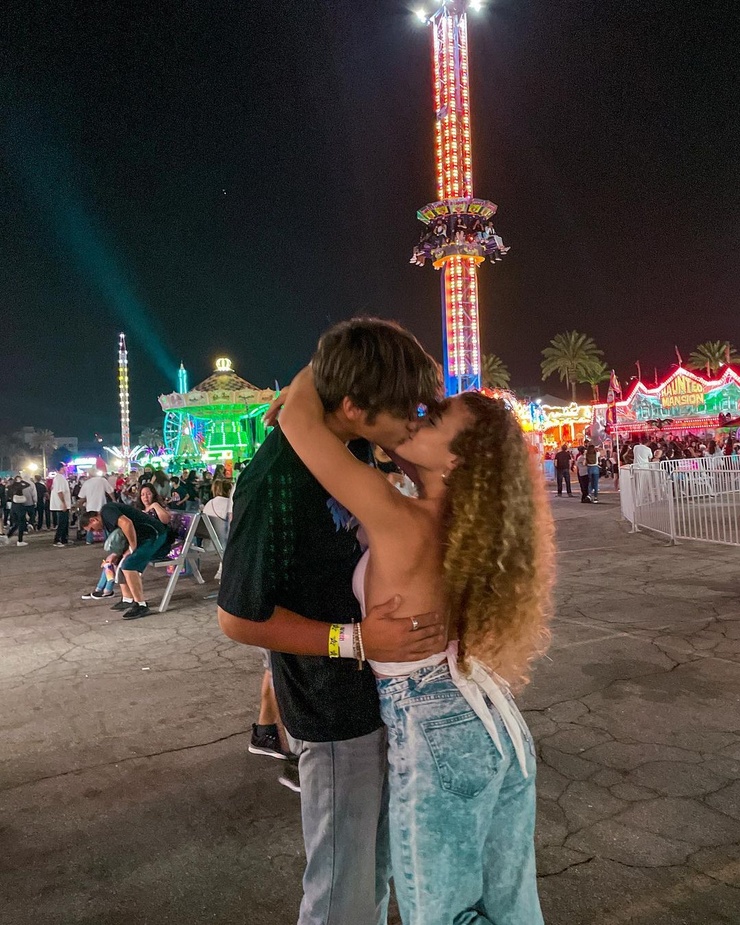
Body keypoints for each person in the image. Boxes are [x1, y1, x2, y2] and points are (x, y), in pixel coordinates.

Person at [280, 367, 554, 925]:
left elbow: (296, 426)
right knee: (510, 908)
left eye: (433, 420)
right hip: (489, 717)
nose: (415, 420)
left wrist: (321, 374)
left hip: (435, 727)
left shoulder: (400, 517)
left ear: (456, 462)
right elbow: (388, 438)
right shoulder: (453, 520)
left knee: (441, 913)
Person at [218, 318, 445, 925]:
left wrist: (300, 394)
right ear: (353, 408)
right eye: (403, 412)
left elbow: (322, 376)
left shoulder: (341, 443)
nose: (410, 425)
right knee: (341, 889)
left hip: (378, 699)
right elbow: (238, 618)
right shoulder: (276, 483)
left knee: (371, 874)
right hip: (332, 710)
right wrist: (355, 640)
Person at [80, 501, 168, 620]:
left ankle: (141, 605)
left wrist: (132, 548)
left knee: (129, 565)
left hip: (154, 535)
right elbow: (122, 537)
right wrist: (116, 554)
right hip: (143, 538)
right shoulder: (107, 522)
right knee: (119, 561)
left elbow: (127, 524)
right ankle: (127, 599)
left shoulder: (107, 511)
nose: (94, 532)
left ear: (93, 520)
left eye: (91, 529)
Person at [79, 473, 114, 543]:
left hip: (90, 507)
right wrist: (114, 500)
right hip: (101, 505)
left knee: (90, 523)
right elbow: (110, 491)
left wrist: (80, 505)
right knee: (104, 523)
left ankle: (89, 540)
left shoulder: (86, 483)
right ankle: (108, 540)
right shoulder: (102, 480)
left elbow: (82, 497)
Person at [50, 463, 72, 547]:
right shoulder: (59, 478)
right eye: (65, 466)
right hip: (61, 504)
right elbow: (60, 492)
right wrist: (63, 503)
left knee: (65, 522)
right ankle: (57, 540)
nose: (66, 468)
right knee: (62, 522)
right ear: (61, 468)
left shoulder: (60, 478)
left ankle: (64, 539)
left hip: (62, 503)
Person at [8, 476, 32, 546]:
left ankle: (8, 536)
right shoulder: (19, 486)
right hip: (20, 506)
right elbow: (28, 485)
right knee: (21, 522)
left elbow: (8, 496)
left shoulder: (10, 487)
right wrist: (22, 481)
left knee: (16, 523)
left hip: (13, 506)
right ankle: (20, 540)